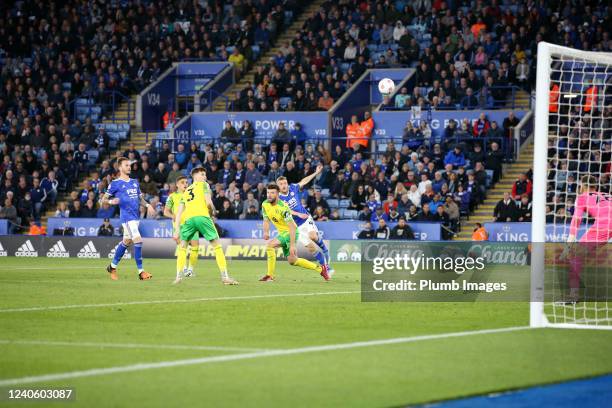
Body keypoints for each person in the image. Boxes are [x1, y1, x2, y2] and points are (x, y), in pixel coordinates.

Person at [173, 167, 238, 285]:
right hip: (202, 217)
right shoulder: (204, 185)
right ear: (195, 176)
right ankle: (225, 277)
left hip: (189, 220)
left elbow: (179, 212)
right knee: (217, 246)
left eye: (205, 175)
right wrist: (213, 211)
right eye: (202, 174)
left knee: (182, 247)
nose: (205, 177)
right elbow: (209, 203)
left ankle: (178, 276)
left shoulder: (186, 191)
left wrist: (177, 229)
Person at [259, 183, 330, 282]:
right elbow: (266, 220)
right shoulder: (265, 204)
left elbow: (292, 226)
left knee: (270, 246)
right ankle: (320, 269)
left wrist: (292, 245)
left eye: (272, 193)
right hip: (283, 233)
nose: (269, 195)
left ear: (278, 194)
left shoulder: (283, 208)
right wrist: (266, 232)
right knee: (293, 261)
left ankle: (270, 275)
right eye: (268, 192)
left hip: (291, 232)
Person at [561, 176, 612, 302]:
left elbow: (576, 221)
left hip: (605, 225)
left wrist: (568, 247)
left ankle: (573, 296)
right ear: (596, 186)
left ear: (582, 186)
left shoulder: (582, 197)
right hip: (605, 222)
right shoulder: (607, 194)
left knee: (575, 257)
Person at [101, 157, 152, 281]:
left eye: (129, 165)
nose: (129, 167)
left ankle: (112, 267)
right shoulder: (115, 183)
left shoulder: (134, 182)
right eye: (126, 165)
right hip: (127, 218)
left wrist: (148, 205)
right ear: (120, 168)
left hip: (135, 217)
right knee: (138, 241)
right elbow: (103, 200)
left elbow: (140, 198)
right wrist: (112, 201)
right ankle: (141, 272)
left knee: (127, 242)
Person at [276, 165, 333, 275]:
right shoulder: (278, 199)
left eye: (284, 183)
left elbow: (304, 181)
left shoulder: (293, 188)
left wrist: (316, 173)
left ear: (287, 183)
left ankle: (324, 249)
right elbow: (285, 211)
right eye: (281, 184)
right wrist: (297, 214)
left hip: (306, 219)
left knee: (313, 236)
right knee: (311, 249)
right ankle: (326, 268)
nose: (284, 185)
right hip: (296, 227)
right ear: (278, 187)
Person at [164, 176, 200, 279]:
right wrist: (173, 216)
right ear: (177, 185)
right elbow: (166, 212)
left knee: (195, 246)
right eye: (182, 182)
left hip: (192, 224)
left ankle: (190, 269)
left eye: (186, 182)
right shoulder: (172, 196)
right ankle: (184, 268)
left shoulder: (191, 195)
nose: (185, 184)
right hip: (179, 226)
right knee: (182, 248)